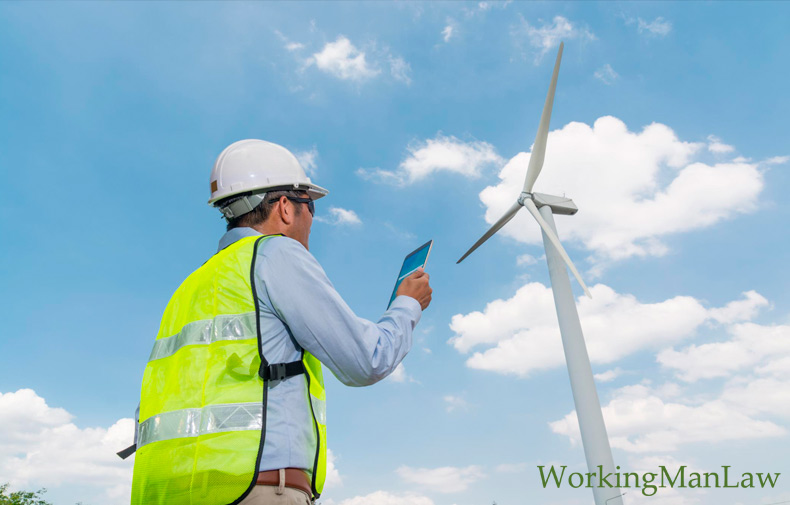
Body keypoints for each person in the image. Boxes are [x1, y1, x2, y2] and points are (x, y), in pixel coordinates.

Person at [129, 139, 432, 505]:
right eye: (310, 207)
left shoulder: (192, 285)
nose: (310, 221)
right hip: (255, 487)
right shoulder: (275, 253)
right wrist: (406, 306)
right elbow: (366, 361)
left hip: (169, 491)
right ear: (287, 208)